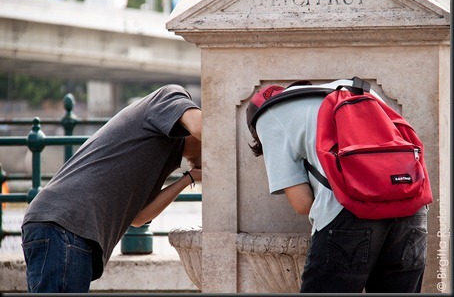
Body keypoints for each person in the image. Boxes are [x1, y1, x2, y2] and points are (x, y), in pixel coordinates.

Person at [245, 79, 428, 293]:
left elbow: (302, 203)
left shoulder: (268, 115)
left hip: (349, 213)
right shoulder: (351, 88)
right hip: (411, 204)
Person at [21, 84, 202, 293]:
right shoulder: (170, 95)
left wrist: (188, 179)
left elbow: (139, 218)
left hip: (65, 229)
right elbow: (200, 128)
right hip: (65, 225)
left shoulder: (166, 154)